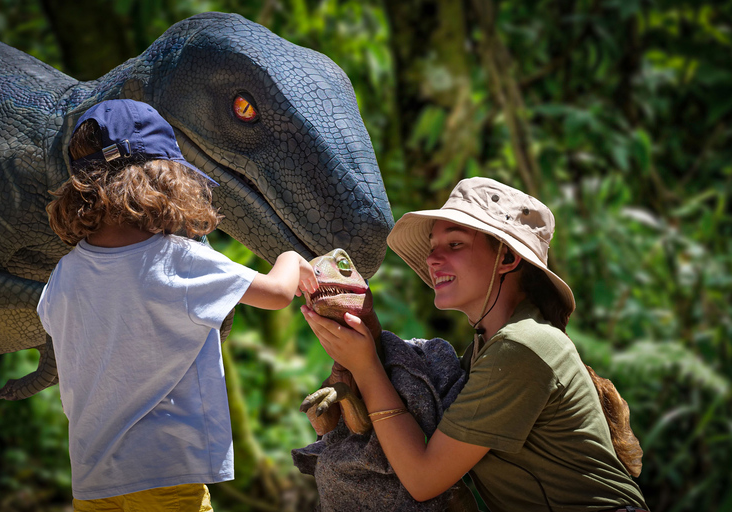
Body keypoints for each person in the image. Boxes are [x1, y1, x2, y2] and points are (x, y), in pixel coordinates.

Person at [302, 177, 649, 511]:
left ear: (508, 259)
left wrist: (366, 366)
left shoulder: (522, 346)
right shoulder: (482, 352)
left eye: (454, 244)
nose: (432, 259)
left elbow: (422, 479)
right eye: (433, 247)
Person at [37, 99, 317, 511]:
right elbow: (276, 293)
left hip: (93, 479)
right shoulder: (174, 258)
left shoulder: (66, 272)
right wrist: (291, 259)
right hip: (166, 471)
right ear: (163, 178)